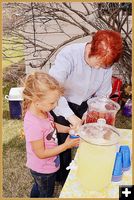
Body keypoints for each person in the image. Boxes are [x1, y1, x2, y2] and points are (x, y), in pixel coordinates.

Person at [49, 30, 123, 185]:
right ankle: (62, 179)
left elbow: (102, 94)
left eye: (103, 66)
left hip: (86, 102)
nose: (98, 68)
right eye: (97, 63)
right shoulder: (68, 55)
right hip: (60, 101)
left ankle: (84, 169)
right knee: (63, 143)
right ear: (91, 48)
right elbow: (52, 90)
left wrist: (91, 112)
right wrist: (69, 116)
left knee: (91, 137)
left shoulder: (105, 64)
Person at [22, 72, 79, 198]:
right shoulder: (33, 123)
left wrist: (68, 130)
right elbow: (41, 153)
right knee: (46, 192)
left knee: (39, 187)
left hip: (48, 164)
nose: (56, 105)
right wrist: (66, 145)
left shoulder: (43, 111)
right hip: (43, 169)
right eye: (52, 103)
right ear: (37, 101)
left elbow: (51, 126)